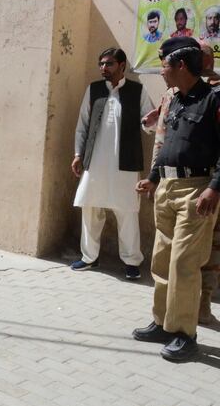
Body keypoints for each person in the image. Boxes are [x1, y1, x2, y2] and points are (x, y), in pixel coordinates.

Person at [134, 36, 220, 361]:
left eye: (164, 65)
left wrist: (214, 188)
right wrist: (152, 179)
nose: (161, 71)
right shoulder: (174, 100)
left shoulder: (212, 101)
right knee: (161, 260)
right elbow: (167, 145)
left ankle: (185, 334)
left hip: (197, 190)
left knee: (184, 264)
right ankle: (162, 322)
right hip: (167, 188)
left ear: (180, 65)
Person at [70, 48, 154, 279]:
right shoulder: (94, 89)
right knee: (90, 208)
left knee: (127, 211)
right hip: (94, 162)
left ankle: (131, 262)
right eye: (101, 64)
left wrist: (151, 122)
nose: (103, 68)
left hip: (125, 164)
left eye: (108, 64)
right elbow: (83, 124)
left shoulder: (137, 91)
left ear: (122, 65)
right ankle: (89, 257)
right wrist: (78, 154)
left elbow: (149, 124)